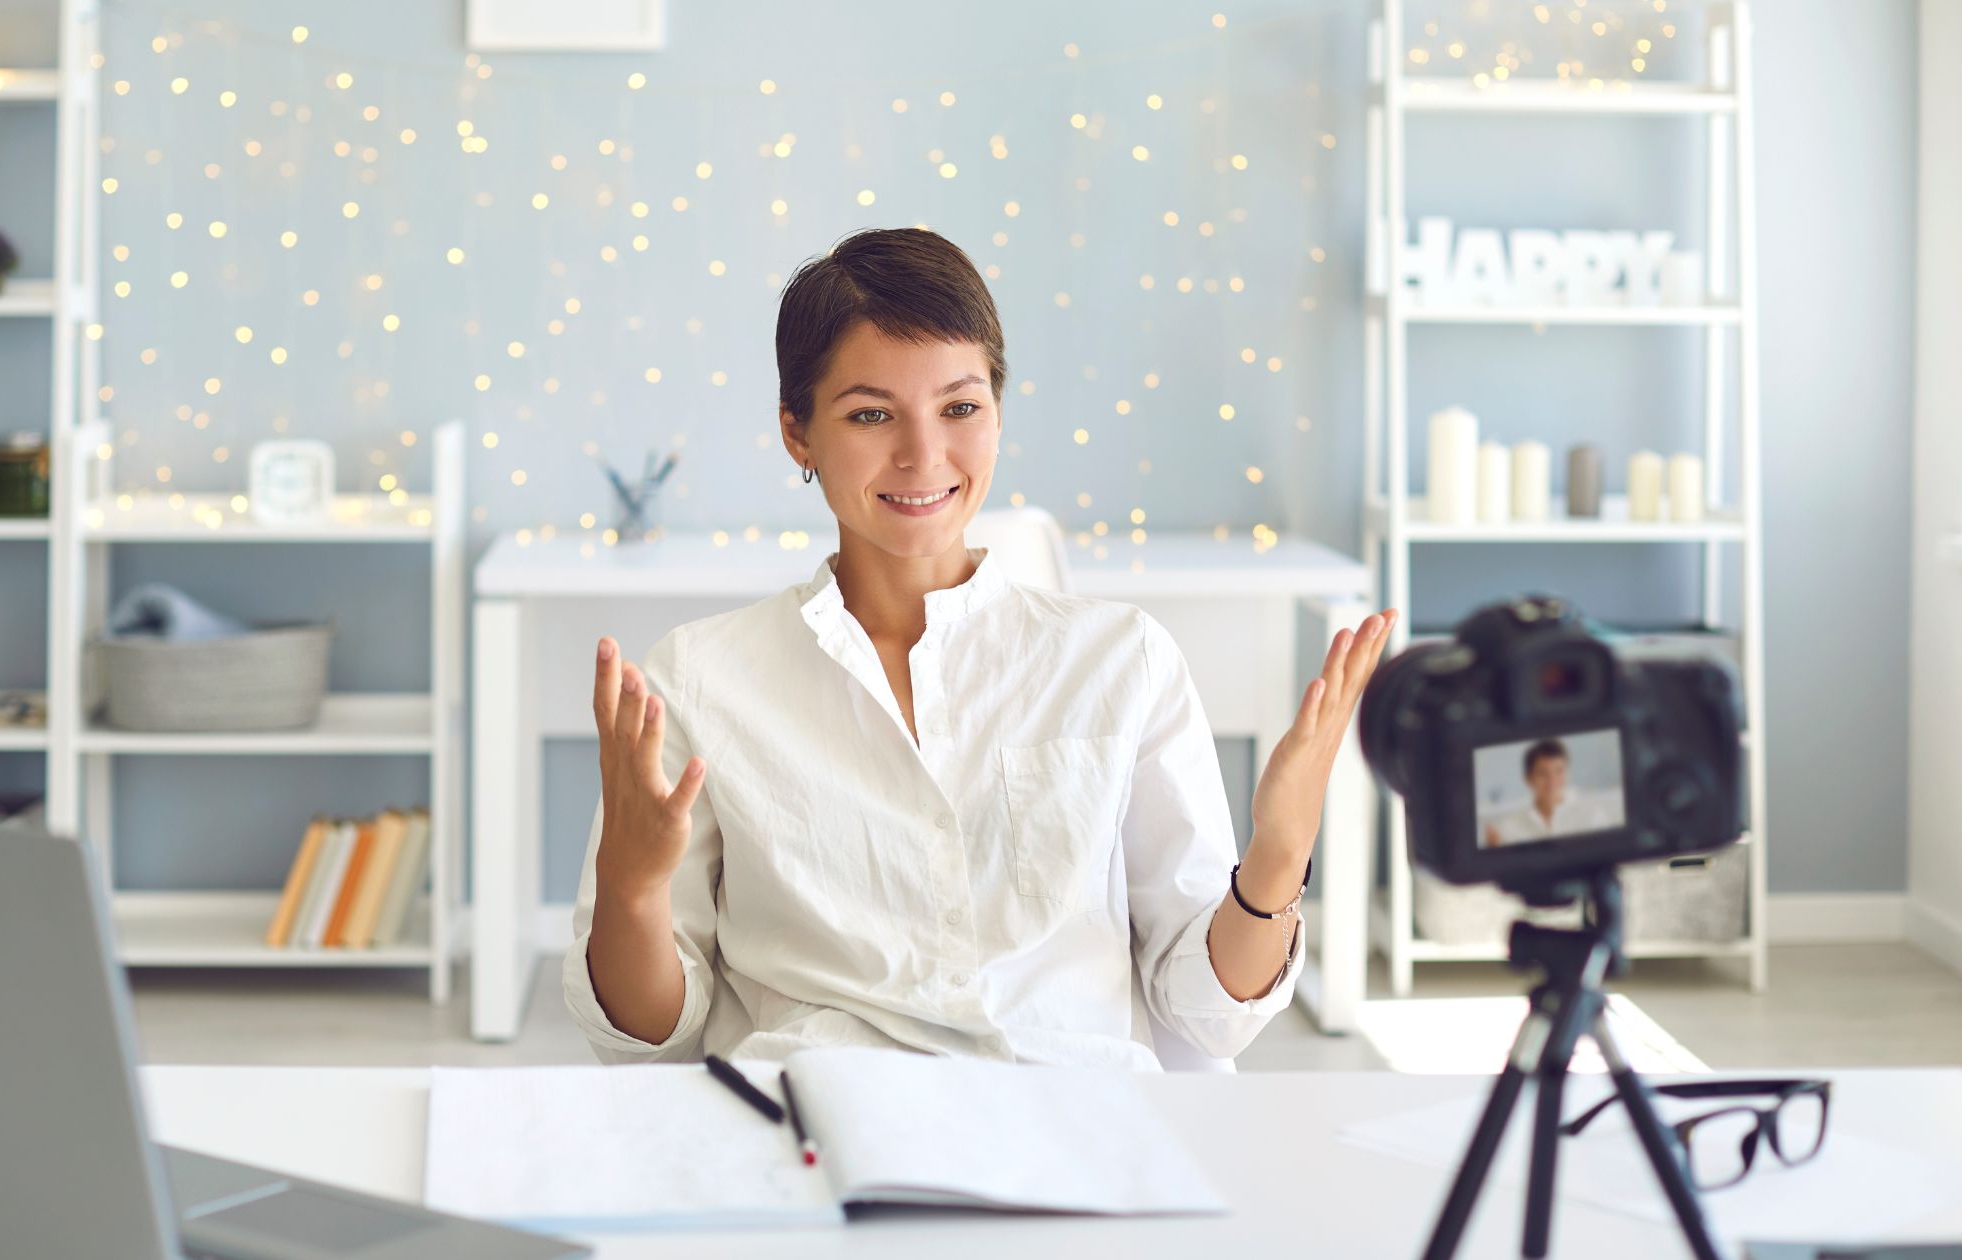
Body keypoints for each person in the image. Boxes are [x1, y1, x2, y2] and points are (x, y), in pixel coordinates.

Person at [564, 226, 1395, 1070]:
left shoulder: (1122, 660)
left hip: (1069, 1119)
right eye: (871, 414)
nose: (923, 455)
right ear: (797, 433)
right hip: (812, 1114)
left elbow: (1209, 1016)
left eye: (959, 408)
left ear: (997, 412)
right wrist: (632, 890)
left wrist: (1279, 856)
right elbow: (645, 1039)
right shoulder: (700, 681)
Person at [1482, 737, 1622, 847]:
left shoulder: (1592, 815)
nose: (1552, 780)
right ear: (1528, 779)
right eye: (1542, 773)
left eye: (1559, 771)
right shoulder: (1507, 829)